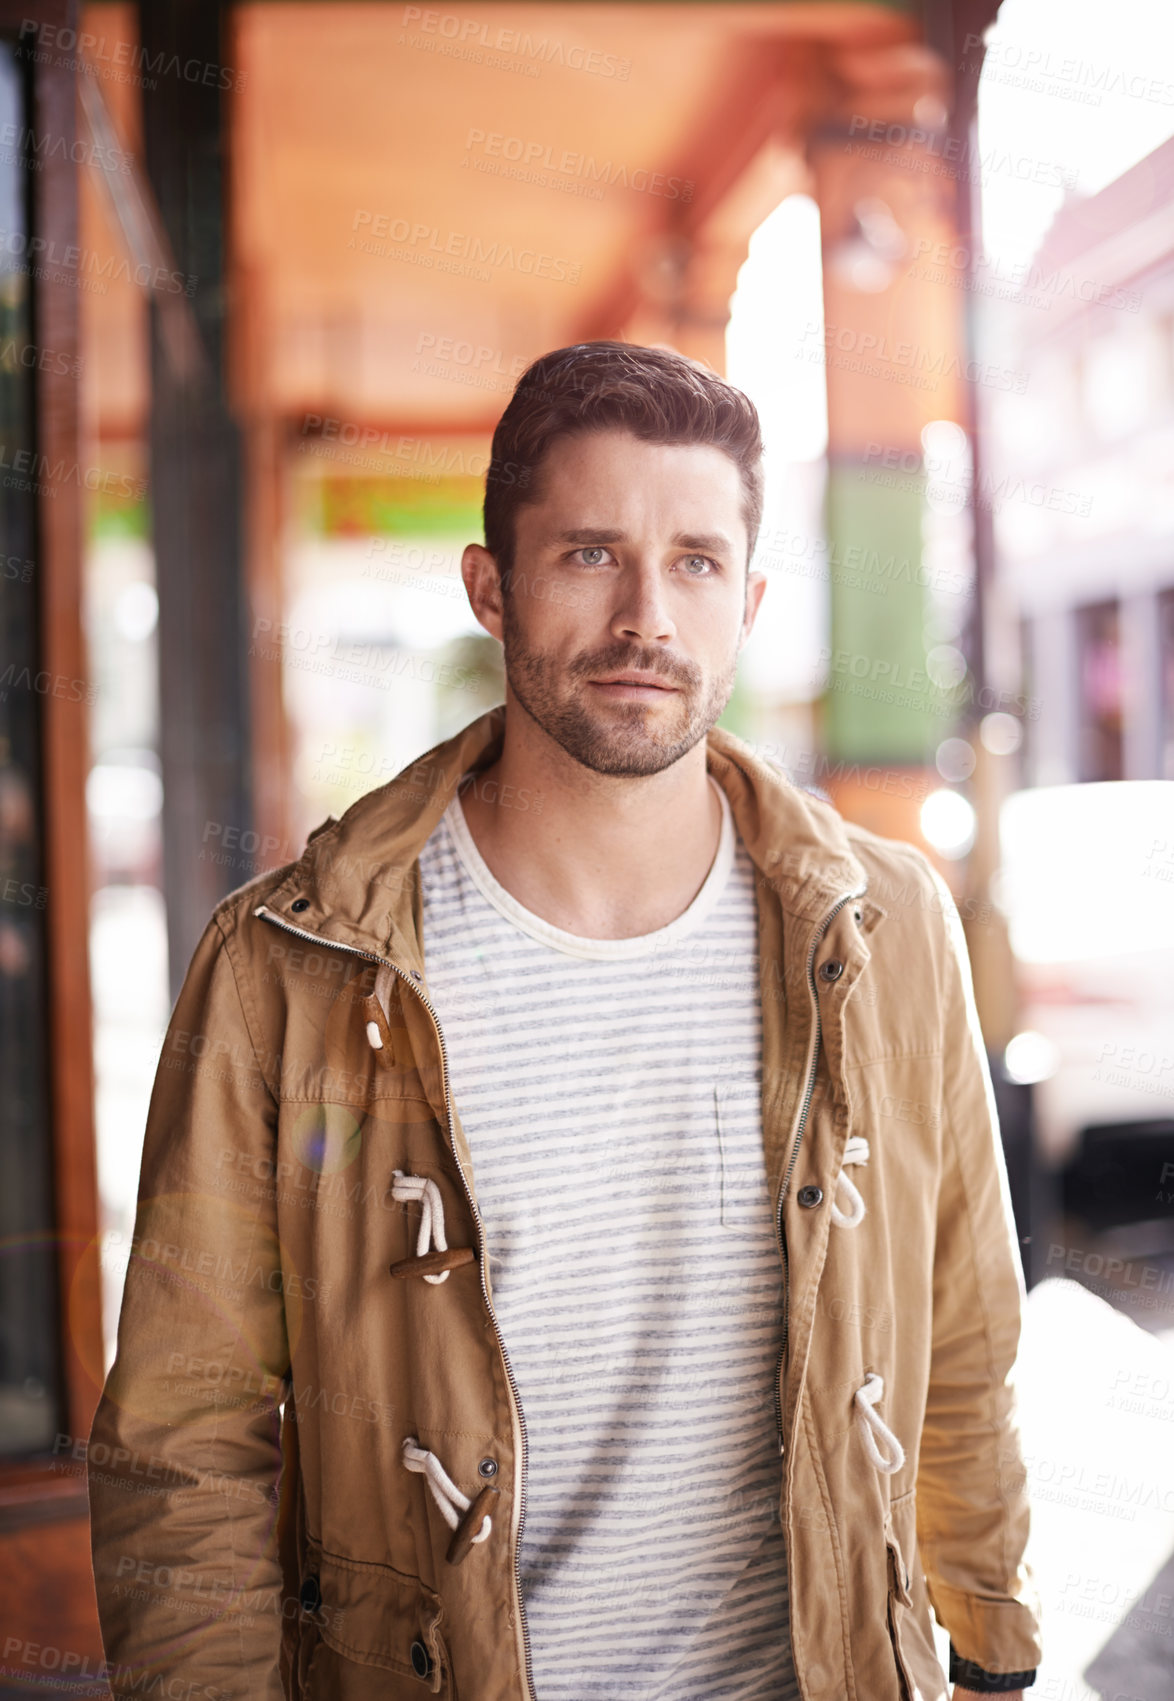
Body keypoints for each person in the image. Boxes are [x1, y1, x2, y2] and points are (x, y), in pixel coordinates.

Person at [88, 341, 1043, 1701]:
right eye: (590, 553)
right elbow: (187, 1443)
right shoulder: (290, 966)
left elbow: (961, 1337)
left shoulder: (882, 929)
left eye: (697, 562)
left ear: (750, 598)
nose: (645, 615)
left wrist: (993, 1658)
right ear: (491, 584)